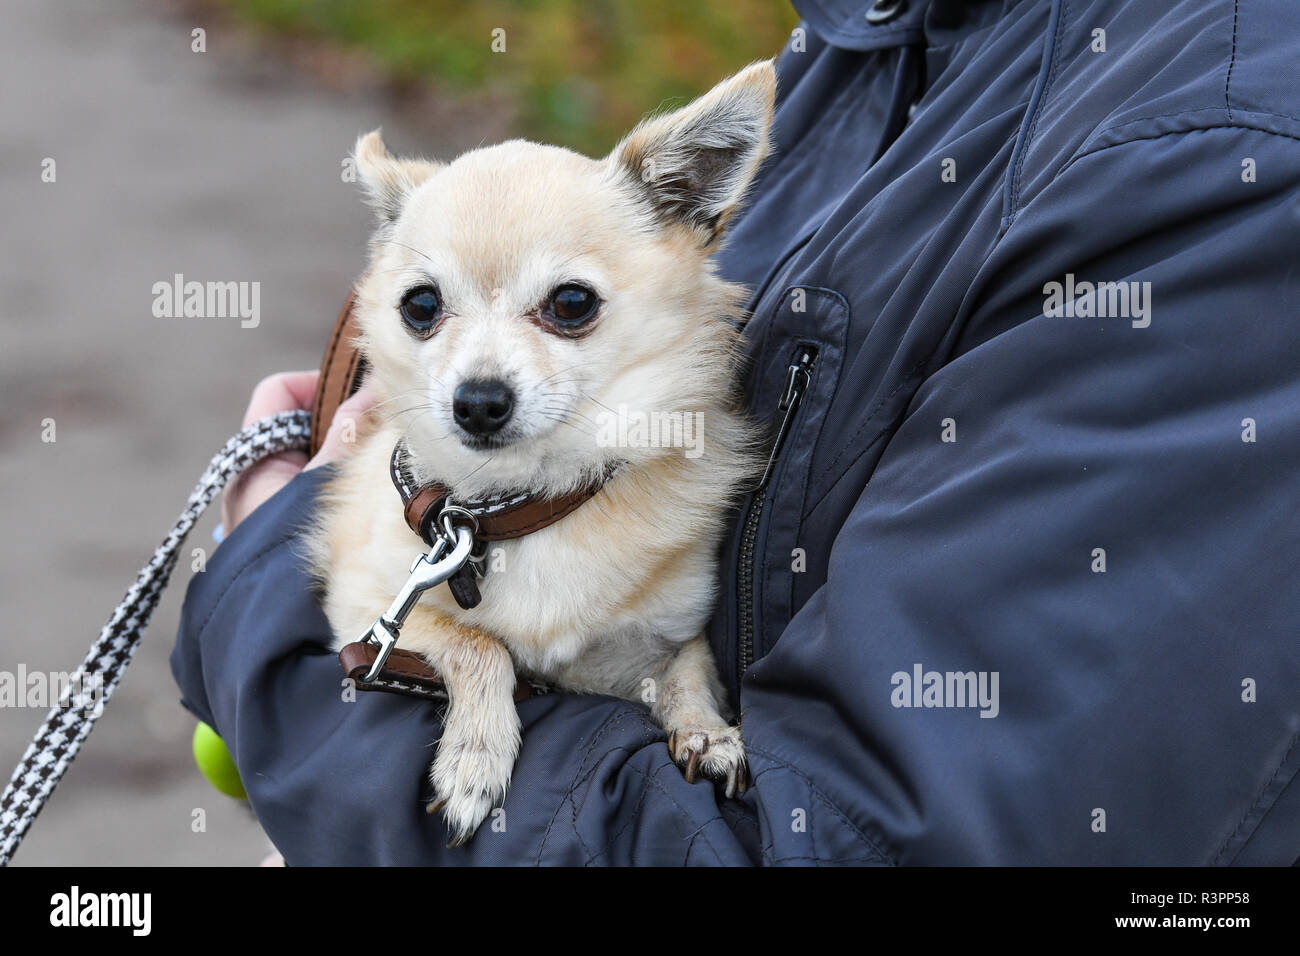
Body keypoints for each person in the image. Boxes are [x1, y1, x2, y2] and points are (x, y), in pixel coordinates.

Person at [172, 0, 1300, 864]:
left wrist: (281, 600)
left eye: (564, 308)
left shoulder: (1217, 161)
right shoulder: (885, 41)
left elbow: (825, 840)